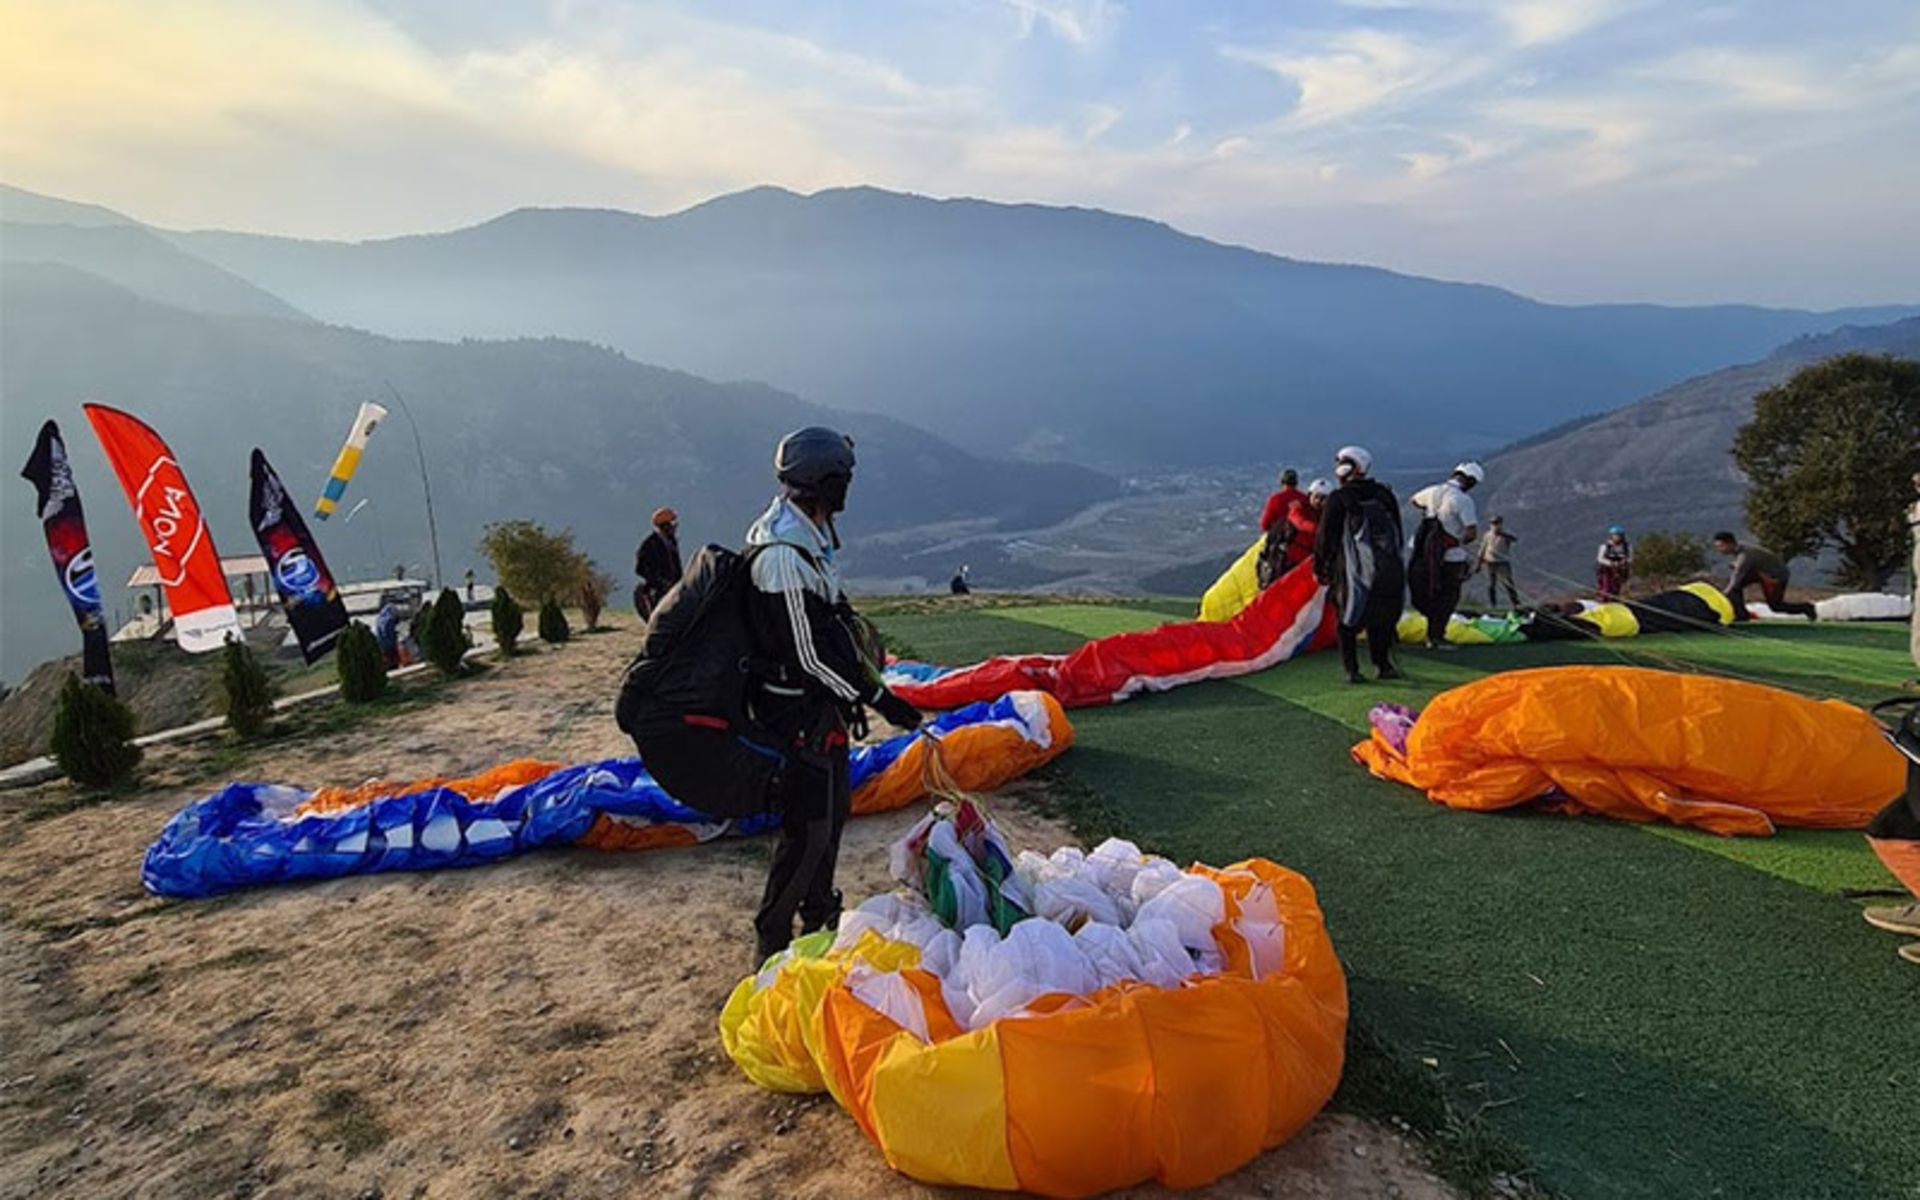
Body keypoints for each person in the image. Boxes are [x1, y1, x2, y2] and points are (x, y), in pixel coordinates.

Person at [746, 427, 923, 962]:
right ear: (823, 482)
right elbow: (808, 652)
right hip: (793, 712)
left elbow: (832, 629)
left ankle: (820, 913)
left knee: (833, 816)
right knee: (807, 832)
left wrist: (870, 686)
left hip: (820, 709)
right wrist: (876, 700)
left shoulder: (811, 534)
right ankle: (771, 942)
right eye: (842, 478)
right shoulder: (781, 553)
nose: (848, 488)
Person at [1314, 446, 1405, 684]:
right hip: (1388, 569)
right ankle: (1382, 664)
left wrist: (1321, 568)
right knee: (1382, 618)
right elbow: (1398, 532)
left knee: (1348, 618)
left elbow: (1326, 537)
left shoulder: (1339, 498)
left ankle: (1352, 669)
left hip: (1350, 570)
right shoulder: (1384, 495)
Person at [1408, 462, 1484, 650]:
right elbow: (1471, 532)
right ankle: (1436, 636)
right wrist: (1458, 541)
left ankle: (1431, 631)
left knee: (1425, 592)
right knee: (1447, 597)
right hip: (1450, 557)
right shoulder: (1463, 500)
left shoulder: (1432, 491)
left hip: (1422, 554)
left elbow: (1414, 500)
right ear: (1471, 482)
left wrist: (1430, 511)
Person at [1712, 532, 1816, 621]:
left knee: (1776, 606)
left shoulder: (1745, 555)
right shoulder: (1740, 549)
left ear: (1730, 543)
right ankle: (1741, 614)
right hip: (1761, 573)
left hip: (1775, 576)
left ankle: (1806, 608)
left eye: (1721, 546)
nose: (1719, 550)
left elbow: (1737, 575)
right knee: (1736, 588)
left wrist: (1725, 593)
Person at [633, 507, 683, 620]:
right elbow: (640, 568)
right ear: (664, 525)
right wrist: (660, 582)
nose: (674, 527)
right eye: (672, 524)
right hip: (657, 592)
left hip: (674, 589)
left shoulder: (671, 542)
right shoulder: (649, 544)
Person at [1479, 515, 1520, 607]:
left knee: (1508, 583)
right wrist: (1479, 563)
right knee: (1491, 584)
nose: (1495, 525)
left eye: (1497, 523)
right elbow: (1482, 549)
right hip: (1490, 562)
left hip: (1502, 562)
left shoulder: (1505, 535)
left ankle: (1516, 603)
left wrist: (1503, 534)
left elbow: (1514, 539)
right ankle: (1493, 605)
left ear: (1501, 524)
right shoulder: (1487, 535)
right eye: (1493, 523)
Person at [1259, 469, 1307, 536]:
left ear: (1281, 482)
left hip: (1280, 538)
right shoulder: (1304, 498)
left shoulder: (1275, 499)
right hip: (1301, 539)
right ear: (1296, 483)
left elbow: (1264, 524)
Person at [1595, 525, 1632, 601]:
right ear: (1611, 536)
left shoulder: (1626, 547)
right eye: (1615, 535)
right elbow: (1600, 559)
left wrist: (1624, 562)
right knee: (1606, 588)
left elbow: (1630, 558)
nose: (1617, 537)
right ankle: (1603, 602)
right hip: (1606, 570)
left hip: (1619, 570)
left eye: (1619, 535)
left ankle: (1615, 602)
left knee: (1616, 588)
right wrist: (1611, 563)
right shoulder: (1605, 546)